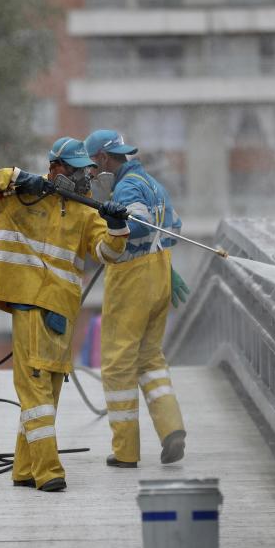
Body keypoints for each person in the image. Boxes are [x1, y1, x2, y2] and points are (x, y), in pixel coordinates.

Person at [0, 137, 129, 492]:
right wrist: (14, 177)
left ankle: (31, 468)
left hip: (60, 309)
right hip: (28, 303)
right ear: (55, 167)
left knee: (44, 391)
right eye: (73, 169)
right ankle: (43, 470)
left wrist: (117, 227)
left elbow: (108, 254)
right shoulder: (18, 196)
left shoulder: (85, 212)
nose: (82, 177)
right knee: (38, 389)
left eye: (84, 170)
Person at [84, 129, 188, 468]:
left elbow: (139, 224)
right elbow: (174, 224)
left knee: (117, 364)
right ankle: (172, 428)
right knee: (150, 359)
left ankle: (126, 451)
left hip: (132, 278)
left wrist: (117, 219)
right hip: (159, 272)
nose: (90, 175)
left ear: (101, 159)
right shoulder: (154, 184)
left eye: (91, 167)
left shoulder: (127, 187)